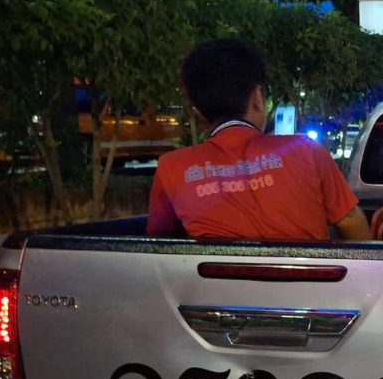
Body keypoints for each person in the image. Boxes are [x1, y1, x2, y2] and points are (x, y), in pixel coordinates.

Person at [147, 39, 371, 241]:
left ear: (199, 114)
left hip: (211, 276)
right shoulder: (307, 151)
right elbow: (351, 223)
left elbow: (157, 247)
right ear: (257, 97)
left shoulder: (170, 168)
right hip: (309, 275)